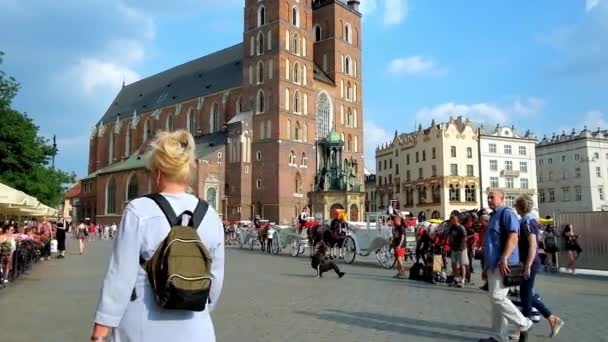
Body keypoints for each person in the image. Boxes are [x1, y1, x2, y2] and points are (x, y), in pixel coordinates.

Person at [91, 130, 225, 342]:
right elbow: (215, 280)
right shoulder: (210, 215)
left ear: (158, 172)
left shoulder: (139, 210)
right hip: (196, 328)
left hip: (142, 325)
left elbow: (120, 275)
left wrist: (102, 327)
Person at [478, 189, 533, 342]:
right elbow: (491, 243)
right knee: (495, 302)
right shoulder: (494, 215)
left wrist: (505, 257)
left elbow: (513, 236)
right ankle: (499, 337)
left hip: (503, 264)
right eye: (488, 197)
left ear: (502, 198)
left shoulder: (506, 213)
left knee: (497, 297)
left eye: (492, 197)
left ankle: (524, 323)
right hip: (493, 264)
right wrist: (486, 267)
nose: (489, 200)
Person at [513, 195, 564, 341]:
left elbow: (533, 245)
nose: (515, 207)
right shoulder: (526, 220)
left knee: (526, 296)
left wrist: (527, 265)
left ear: (520, 207)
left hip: (530, 262)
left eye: (516, 205)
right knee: (526, 294)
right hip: (527, 261)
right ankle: (551, 319)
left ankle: (523, 330)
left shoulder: (528, 222)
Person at [447, 214, 468, 288]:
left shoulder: (461, 228)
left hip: (461, 248)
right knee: (453, 264)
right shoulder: (452, 227)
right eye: (451, 220)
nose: (451, 222)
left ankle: (462, 280)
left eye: (452, 220)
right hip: (454, 248)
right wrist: (449, 243)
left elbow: (465, 238)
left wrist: (461, 247)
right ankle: (456, 278)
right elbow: (449, 236)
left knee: (462, 264)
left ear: (455, 220)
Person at [391, 214, 407, 279]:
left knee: (399, 258)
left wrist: (399, 245)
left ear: (398, 220)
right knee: (398, 259)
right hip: (396, 245)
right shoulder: (396, 227)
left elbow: (402, 237)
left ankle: (403, 271)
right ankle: (399, 273)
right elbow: (395, 236)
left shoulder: (401, 227)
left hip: (400, 246)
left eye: (395, 220)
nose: (394, 221)